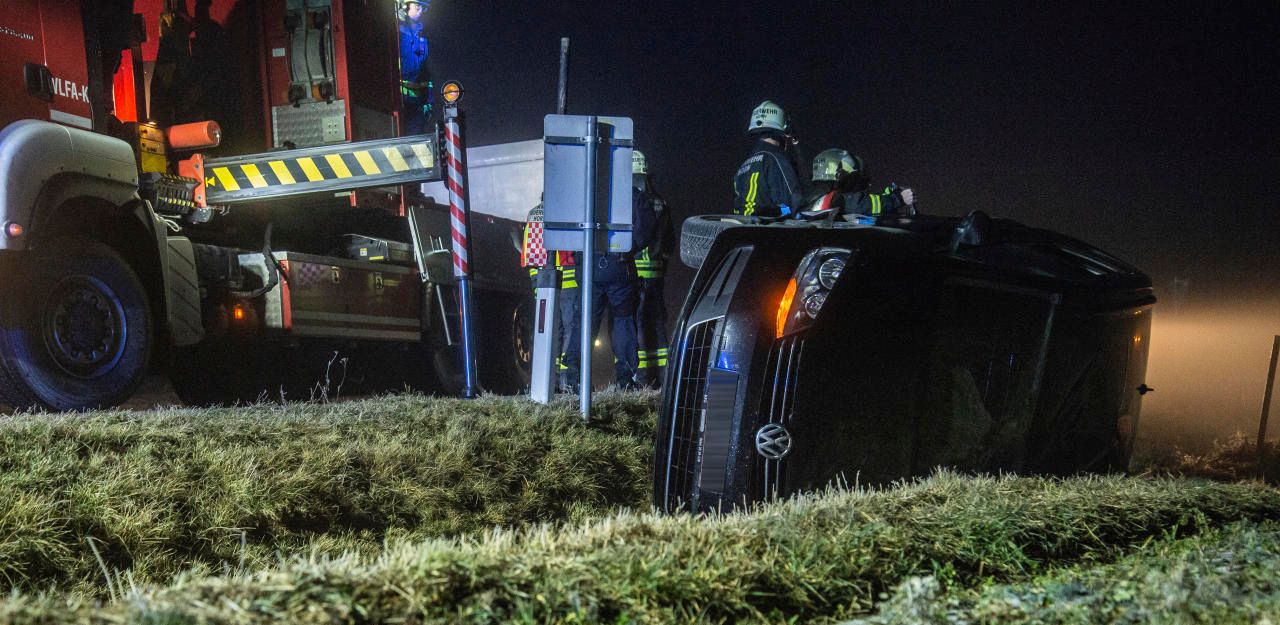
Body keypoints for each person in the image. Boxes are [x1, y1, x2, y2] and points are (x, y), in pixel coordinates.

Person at [561, 164, 656, 391]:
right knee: (623, 321)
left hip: (588, 265)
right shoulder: (631, 195)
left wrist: (578, 254)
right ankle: (625, 377)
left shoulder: (584, 194)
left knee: (584, 321)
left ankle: (574, 377)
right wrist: (629, 249)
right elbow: (647, 227)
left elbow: (567, 227)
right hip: (618, 265)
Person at [631, 150, 674, 388]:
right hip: (657, 272)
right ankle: (663, 377)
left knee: (636, 325)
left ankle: (641, 378)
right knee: (657, 324)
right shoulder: (662, 202)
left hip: (635, 272)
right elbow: (670, 242)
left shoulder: (631, 201)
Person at [733, 100, 803, 218]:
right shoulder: (775, 159)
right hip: (767, 233)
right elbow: (793, 202)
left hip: (741, 229)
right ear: (784, 129)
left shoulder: (744, 165)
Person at [804, 148, 916, 217]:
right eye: (853, 177)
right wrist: (897, 199)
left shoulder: (812, 193)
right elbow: (862, 204)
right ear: (839, 173)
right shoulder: (835, 198)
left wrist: (887, 196)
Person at [398, 0, 432, 135]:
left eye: (422, 8)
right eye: (417, 6)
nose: (420, 11)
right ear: (405, 7)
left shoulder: (422, 37)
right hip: (397, 100)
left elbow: (425, 72)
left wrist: (428, 102)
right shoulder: (394, 33)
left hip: (416, 102)